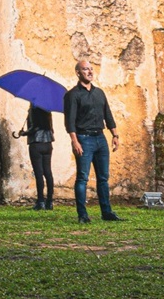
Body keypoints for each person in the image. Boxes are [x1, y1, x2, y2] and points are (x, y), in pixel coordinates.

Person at [64, 60, 122, 223]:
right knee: (82, 177)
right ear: (78, 73)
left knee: (103, 178)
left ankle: (107, 212)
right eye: (85, 69)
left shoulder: (100, 93)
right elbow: (70, 121)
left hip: (100, 139)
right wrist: (75, 142)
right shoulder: (72, 95)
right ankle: (83, 215)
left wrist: (115, 135)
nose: (89, 72)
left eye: (91, 69)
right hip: (83, 139)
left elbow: (108, 115)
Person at [17, 103, 54, 210]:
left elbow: (34, 127)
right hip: (48, 143)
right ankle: (50, 202)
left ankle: (40, 201)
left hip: (36, 143)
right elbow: (51, 129)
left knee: (39, 173)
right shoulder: (48, 110)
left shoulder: (33, 108)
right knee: (48, 172)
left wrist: (24, 133)